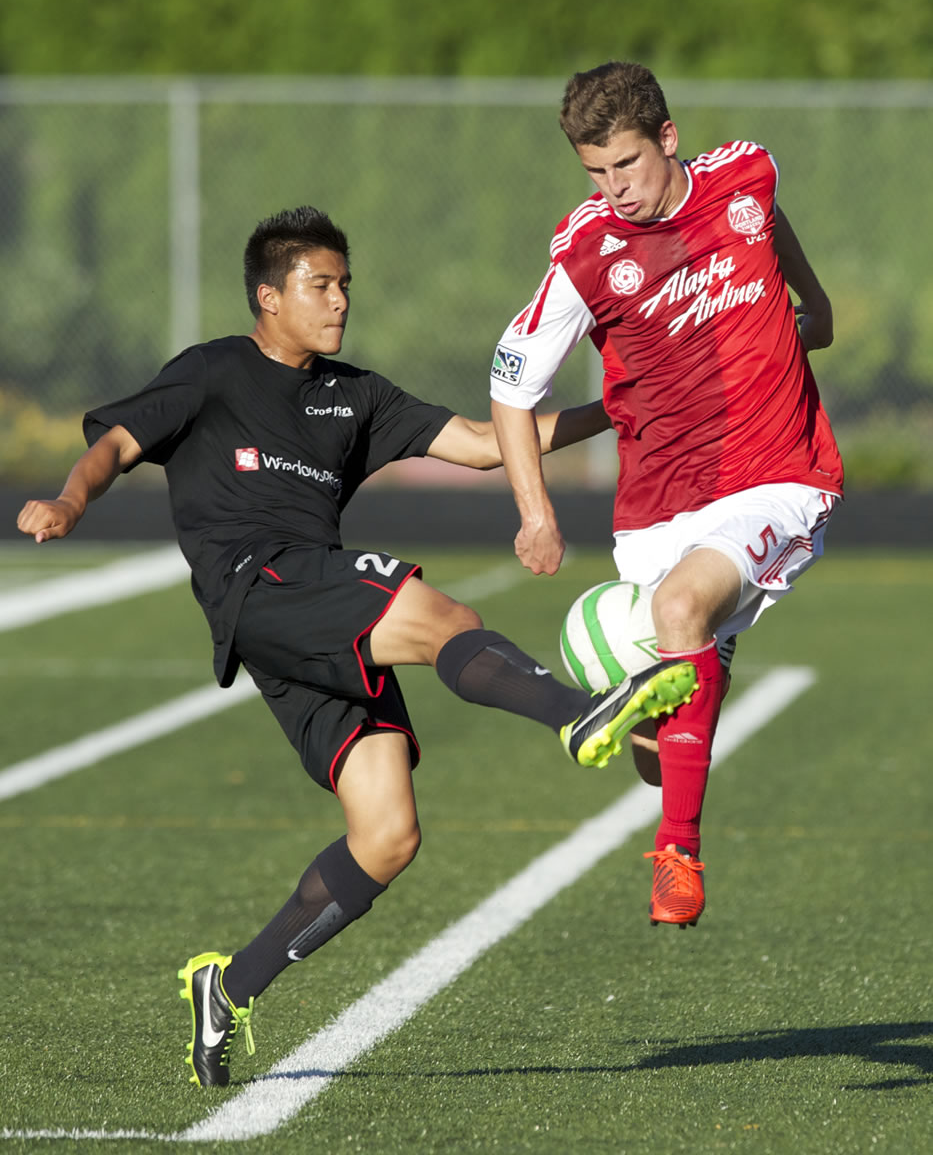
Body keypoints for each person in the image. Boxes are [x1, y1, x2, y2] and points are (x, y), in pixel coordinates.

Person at [17, 205, 699, 1088]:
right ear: (269, 297)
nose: (339, 301)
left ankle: (229, 985)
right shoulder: (213, 371)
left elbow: (493, 445)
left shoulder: (357, 395)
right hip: (257, 581)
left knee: (386, 836)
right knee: (439, 613)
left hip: (309, 609)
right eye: (319, 285)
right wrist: (71, 502)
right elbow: (113, 442)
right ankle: (580, 716)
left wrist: (620, 404)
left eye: (345, 285)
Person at [489, 62, 844, 930]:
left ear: (668, 139)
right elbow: (509, 389)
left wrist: (814, 304)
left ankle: (677, 858)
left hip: (776, 475)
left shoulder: (745, 176)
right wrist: (535, 512)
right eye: (594, 173)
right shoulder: (583, 250)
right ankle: (701, 664)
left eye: (627, 167)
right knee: (658, 749)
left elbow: (769, 224)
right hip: (653, 510)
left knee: (683, 608)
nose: (614, 190)